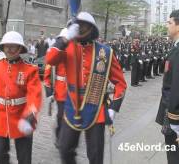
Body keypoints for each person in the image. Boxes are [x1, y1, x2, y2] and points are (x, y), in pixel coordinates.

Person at [45, 12, 127, 164]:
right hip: (71, 105)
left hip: (95, 106)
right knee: (64, 148)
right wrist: (64, 39)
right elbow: (50, 59)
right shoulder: (66, 47)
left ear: (91, 28)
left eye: (84, 25)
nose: (80, 28)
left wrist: (113, 108)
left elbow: (120, 83)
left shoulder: (105, 52)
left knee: (95, 154)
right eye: (77, 25)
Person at [0, 31, 42, 164]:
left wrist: (30, 114)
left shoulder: (29, 69)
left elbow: (34, 94)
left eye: (13, 46)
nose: (9, 49)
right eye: (7, 46)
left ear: (20, 49)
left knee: (24, 158)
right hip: (1, 115)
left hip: (22, 115)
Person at [155, 9, 179, 164]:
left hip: (178, 113)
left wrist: (175, 119)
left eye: (170, 22)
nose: (167, 25)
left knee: (178, 157)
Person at [43, 36, 67, 146]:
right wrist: (49, 93)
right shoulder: (55, 53)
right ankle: (59, 137)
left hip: (74, 92)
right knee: (61, 115)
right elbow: (47, 76)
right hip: (60, 90)